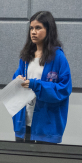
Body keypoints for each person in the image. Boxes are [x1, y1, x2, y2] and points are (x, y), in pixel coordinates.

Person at [12, 11, 72, 144]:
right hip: (24, 120)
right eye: (31, 28)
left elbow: (64, 89)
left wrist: (35, 84)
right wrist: (18, 80)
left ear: (48, 30)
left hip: (46, 124)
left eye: (38, 28)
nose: (33, 32)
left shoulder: (58, 58)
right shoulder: (26, 56)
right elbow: (17, 79)